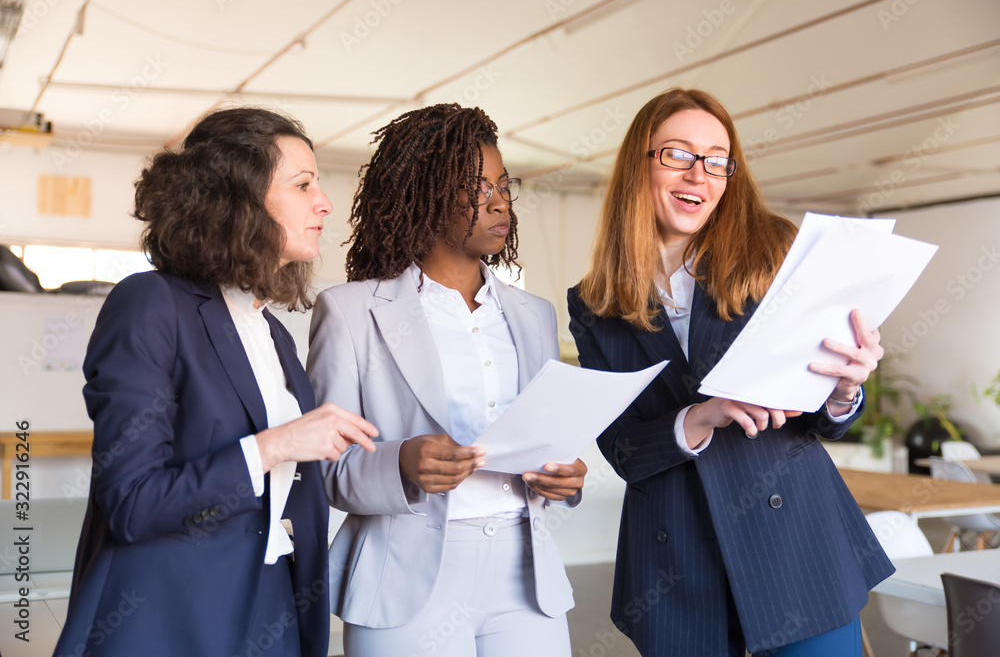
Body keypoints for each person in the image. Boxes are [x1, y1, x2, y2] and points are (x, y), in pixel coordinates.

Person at [567, 88, 894, 657]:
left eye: (717, 160)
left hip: (796, 548)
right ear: (639, 164)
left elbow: (822, 419)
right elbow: (623, 451)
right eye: (677, 153)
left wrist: (844, 389)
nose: (699, 173)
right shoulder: (595, 302)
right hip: (676, 563)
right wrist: (699, 417)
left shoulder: (773, 251)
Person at [55, 108, 378, 657]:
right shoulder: (150, 303)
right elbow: (131, 503)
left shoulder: (272, 331)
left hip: (271, 606)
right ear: (238, 199)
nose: (325, 203)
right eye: (303, 185)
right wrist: (276, 445)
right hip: (168, 617)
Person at [307, 103, 587, 656]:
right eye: (477, 188)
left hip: (526, 576)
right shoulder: (350, 312)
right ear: (424, 194)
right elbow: (324, 469)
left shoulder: (534, 314)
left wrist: (566, 477)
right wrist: (401, 463)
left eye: (503, 185)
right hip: (405, 577)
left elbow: (546, 437)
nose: (500, 201)